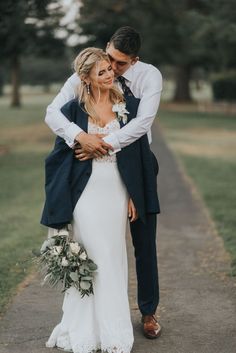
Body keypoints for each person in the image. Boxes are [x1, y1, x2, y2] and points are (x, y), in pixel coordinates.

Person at [45, 26, 162, 339]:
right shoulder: (86, 72)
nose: (112, 68)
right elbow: (53, 113)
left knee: (144, 239)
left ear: (133, 61)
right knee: (96, 245)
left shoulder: (150, 77)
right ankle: (90, 320)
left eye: (119, 64)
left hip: (136, 158)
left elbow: (142, 123)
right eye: (108, 59)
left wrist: (105, 142)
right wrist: (81, 136)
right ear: (106, 46)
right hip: (93, 169)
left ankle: (148, 312)